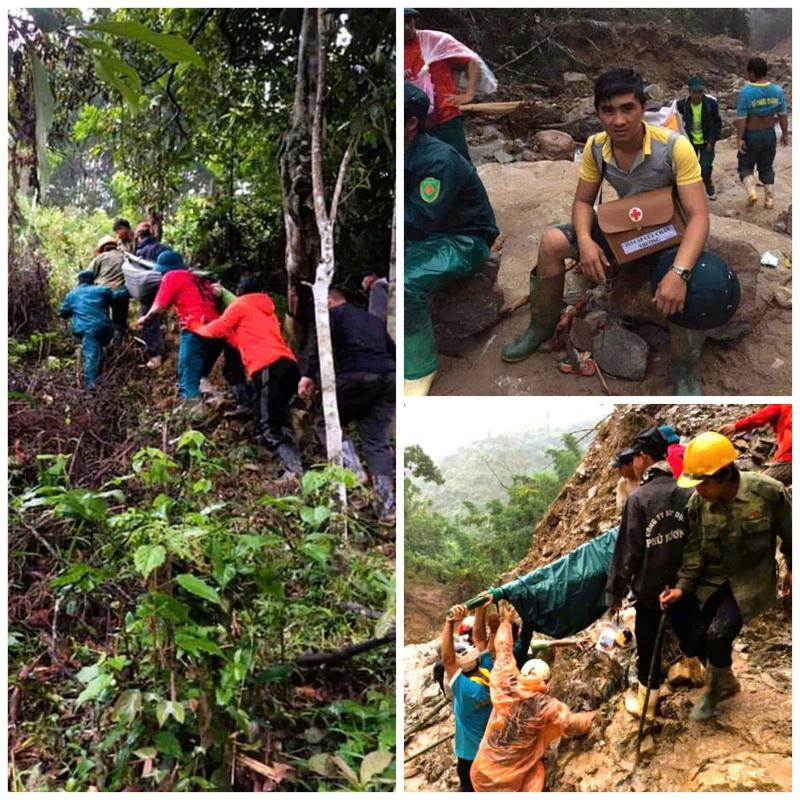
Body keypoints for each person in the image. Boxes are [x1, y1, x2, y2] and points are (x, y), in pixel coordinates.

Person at [501, 69, 733, 397]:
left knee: (697, 284)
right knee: (552, 242)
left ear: (643, 107)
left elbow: (698, 217)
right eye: (608, 111)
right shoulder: (597, 147)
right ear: (598, 112)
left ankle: (684, 366)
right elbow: (583, 201)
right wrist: (585, 242)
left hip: (670, 234)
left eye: (628, 109)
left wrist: (679, 273)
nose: (618, 120)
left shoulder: (674, 147)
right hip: (626, 227)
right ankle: (540, 326)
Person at [661, 431, 792, 721]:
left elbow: (792, 533)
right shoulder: (698, 504)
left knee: (718, 635)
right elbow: (694, 551)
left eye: (703, 482)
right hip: (710, 582)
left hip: (749, 582)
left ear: (722, 475)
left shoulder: (767, 493)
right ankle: (726, 675)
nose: (698, 490)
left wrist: (792, 572)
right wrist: (682, 587)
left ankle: (716, 689)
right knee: (693, 637)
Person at [404, 81, 499, 395]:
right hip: (429, 235)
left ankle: (418, 370)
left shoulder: (437, 160)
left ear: (412, 123)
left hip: (463, 239)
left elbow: (417, 220)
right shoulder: (406, 152)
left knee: (406, 282)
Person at [606, 427, 702, 722]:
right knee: (688, 623)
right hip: (684, 583)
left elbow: (628, 554)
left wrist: (614, 593)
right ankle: (695, 670)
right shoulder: (687, 490)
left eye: (635, 457)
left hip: (650, 590)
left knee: (648, 642)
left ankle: (647, 702)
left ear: (643, 457)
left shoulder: (639, 500)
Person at [470, 601, 594, 792]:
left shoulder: (506, 685)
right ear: (547, 683)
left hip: (481, 771)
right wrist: (596, 715)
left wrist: (506, 622)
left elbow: (503, 650)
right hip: (508, 781)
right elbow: (572, 725)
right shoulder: (545, 706)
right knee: (534, 776)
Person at [187, 275, 304, 477]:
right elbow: (238, 339)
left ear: (240, 291)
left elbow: (217, 329)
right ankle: (291, 461)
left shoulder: (241, 305)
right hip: (289, 366)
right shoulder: (267, 311)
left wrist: (196, 326)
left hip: (268, 366)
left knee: (268, 426)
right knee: (270, 417)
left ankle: (294, 471)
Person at [298, 287, 396, 520]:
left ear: (330, 300)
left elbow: (318, 346)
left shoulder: (333, 314)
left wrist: (306, 376)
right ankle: (386, 507)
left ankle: (353, 472)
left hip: (357, 376)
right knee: (376, 441)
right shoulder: (372, 320)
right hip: (388, 377)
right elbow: (392, 351)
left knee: (325, 421)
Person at [135, 250, 223, 403]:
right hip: (218, 330)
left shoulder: (172, 276)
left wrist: (145, 319)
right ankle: (209, 400)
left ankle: (191, 413)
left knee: (187, 372)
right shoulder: (200, 279)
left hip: (196, 326)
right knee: (200, 373)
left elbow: (159, 307)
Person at [404, 8, 483, 161]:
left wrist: (469, 94)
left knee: (460, 168)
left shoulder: (435, 41)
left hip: (447, 120)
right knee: (428, 174)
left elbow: (472, 60)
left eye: (409, 21)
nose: (407, 27)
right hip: (417, 127)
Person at [441, 599, 494, 791]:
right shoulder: (489, 673)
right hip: (491, 753)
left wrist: (449, 622)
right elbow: (480, 639)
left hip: (470, 757)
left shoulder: (465, 691)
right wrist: (481, 607)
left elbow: (447, 659)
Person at [735, 57, 789, 209]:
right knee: (766, 166)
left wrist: (739, 138)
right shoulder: (777, 91)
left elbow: (741, 118)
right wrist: (785, 134)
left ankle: (752, 192)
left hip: (752, 134)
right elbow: (783, 114)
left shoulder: (746, 92)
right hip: (769, 135)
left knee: (745, 165)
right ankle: (769, 199)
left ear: (752, 72)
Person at [58, 271, 117, 389]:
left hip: (88, 330)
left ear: (79, 281)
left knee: (92, 355)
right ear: (93, 280)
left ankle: (91, 386)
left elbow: (62, 313)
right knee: (98, 350)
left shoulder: (72, 295)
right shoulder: (102, 290)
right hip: (106, 329)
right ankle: (102, 375)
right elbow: (117, 297)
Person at [719, 404, 791, 486]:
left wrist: (737, 426)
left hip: (789, 458)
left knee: (759, 485)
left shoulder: (782, 404)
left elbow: (762, 416)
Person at [676, 75, 722, 200]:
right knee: (689, 168)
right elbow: (671, 115)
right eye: (694, 92)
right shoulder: (682, 105)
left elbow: (717, 123)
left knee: (705, 167)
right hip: (690, 142)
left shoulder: (710, 105)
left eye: (700, 92)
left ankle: (708, 184)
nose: (697, 95)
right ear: (689, 91)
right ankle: (692, 194)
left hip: (707, 142)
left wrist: (712, 140)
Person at [133, 222, 170, 368]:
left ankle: (155, 357)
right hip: (167, 288)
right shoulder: (164, 248)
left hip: (149, 291)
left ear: (139, 236)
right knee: (159, 319)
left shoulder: (141, 253)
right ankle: (163, 344)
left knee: (149, 322)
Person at [88, 235, 129, 347]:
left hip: (102, 293)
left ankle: (104, 346)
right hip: (121, 292)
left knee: (102, 320)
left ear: (102, 249)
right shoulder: (124, 257)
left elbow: (88, 275)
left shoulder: (99, 259)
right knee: (119, 322)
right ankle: (118, 346)